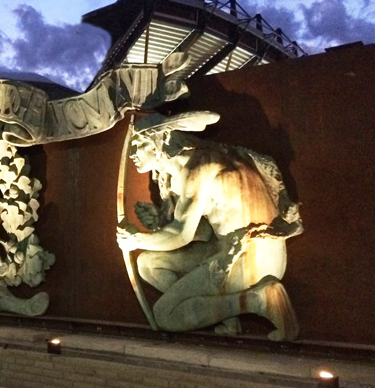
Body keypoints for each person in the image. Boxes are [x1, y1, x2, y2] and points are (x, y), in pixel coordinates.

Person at [117, 111, 302, 341]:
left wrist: (137, 239)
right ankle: (226, 317)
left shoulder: (197, 168)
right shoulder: (213, 157)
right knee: (148, 263)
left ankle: (260, 300)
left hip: (249, 260)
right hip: (243, 250)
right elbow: (202, 233)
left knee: (165, 315)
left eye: (140, 144)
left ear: (161, 141)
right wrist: (159, 223)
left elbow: (181, 235)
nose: (133, 153)